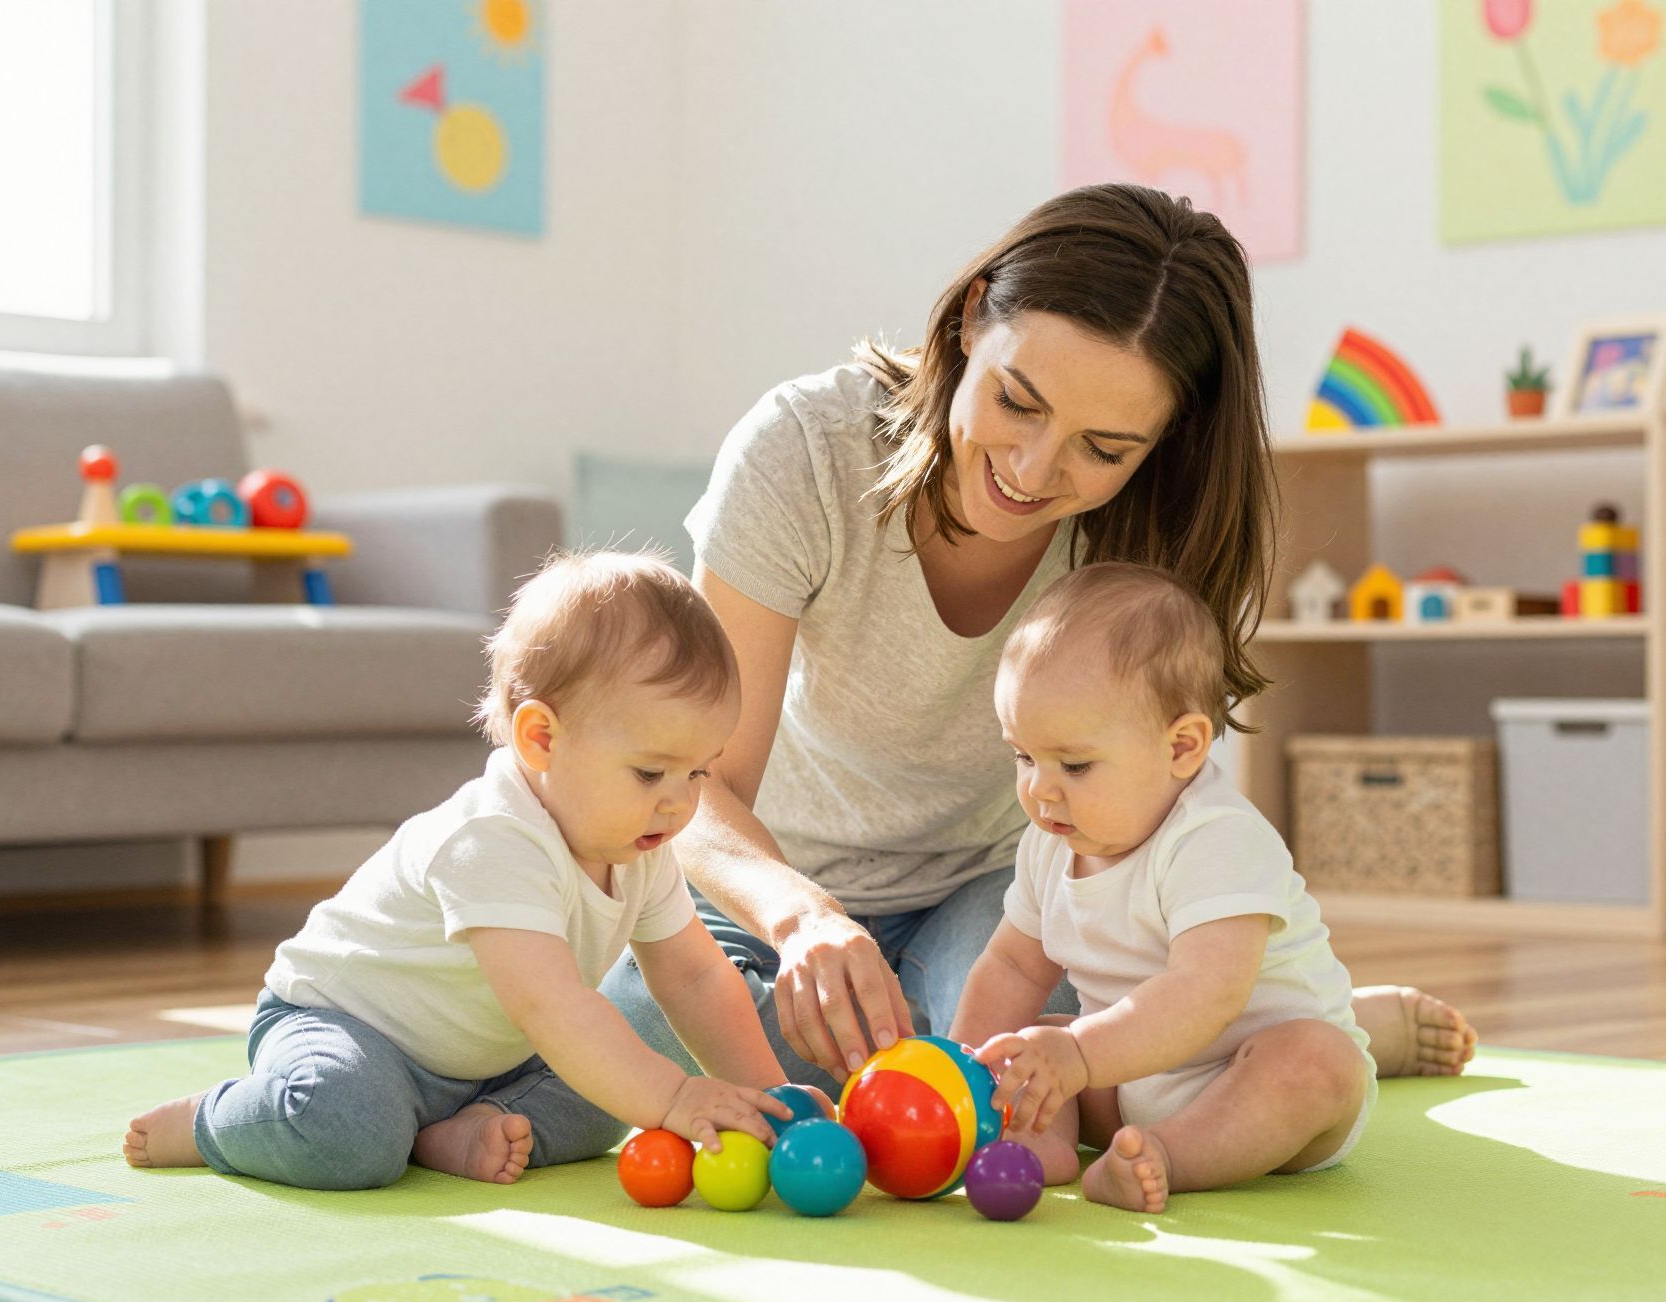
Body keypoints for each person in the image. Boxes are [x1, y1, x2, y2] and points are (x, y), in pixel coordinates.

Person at [605, 182, 1470, 1097]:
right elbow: (701, 786)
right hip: (781, 882)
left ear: (1163, 441)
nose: (1031, 470)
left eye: (1103, 449)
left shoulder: (1149, 527)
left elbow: (1160, 805)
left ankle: (1322, 1030)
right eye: (1018, 402)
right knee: (647, 1039)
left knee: (1032, 1066)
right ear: (975, 317)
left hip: (1003, 891)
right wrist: (801, 918)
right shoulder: (803, 451)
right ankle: (1302, 1026)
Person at [122, 553, 791, 1189]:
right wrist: (674, 1098)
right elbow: (550, 1006)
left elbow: (698, 977)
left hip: (489, 1059)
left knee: (608, 1097)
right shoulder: (493, 839)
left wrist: (773, 1104)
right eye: (651, 771)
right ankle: (213, 1120)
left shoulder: (638, 838)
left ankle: (455, 1131)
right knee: (347, 1130)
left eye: (699, 770)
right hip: (348, 1030)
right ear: (541, 739)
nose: (680, 802)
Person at [953, 564, 1473, 1214]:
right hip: (1125, 1073)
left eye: (1075, 764)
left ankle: (1167, 1157)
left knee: (1319, 1063)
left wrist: (1081, 1056)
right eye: (1024, 757)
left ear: (1183, 747)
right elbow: (1010, 967)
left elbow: (1207, 994)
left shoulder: (1216, 840)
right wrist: (964, 1074)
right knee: (1029, 1042)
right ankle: (1038, 1143)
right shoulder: (1049, 845)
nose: (1040, 789)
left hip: (1245, 1071)